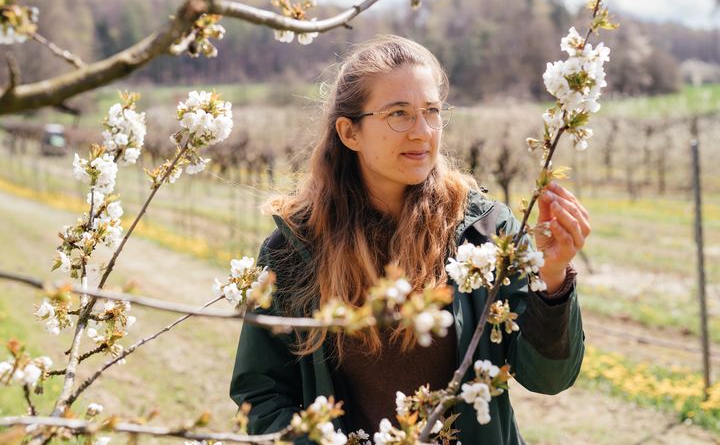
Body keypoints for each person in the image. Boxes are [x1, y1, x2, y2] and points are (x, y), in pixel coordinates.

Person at [229, 35, 589, 444]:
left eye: (431, 111)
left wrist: (553, 279)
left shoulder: (486, 231)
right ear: (350, 132)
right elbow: (261, 395)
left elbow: (549, 379)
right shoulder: (294, 250)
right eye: (399, 114)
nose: (422, 132)